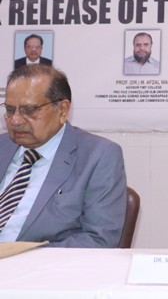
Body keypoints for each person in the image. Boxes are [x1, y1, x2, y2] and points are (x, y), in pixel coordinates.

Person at [0, 65, 127, 247]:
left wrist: (20, 255)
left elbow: (99, 240)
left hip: (38, 262)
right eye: (10, 110)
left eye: (30, 110)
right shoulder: (3, 146)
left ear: (63, 110)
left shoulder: (99, 156)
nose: (15, 120)